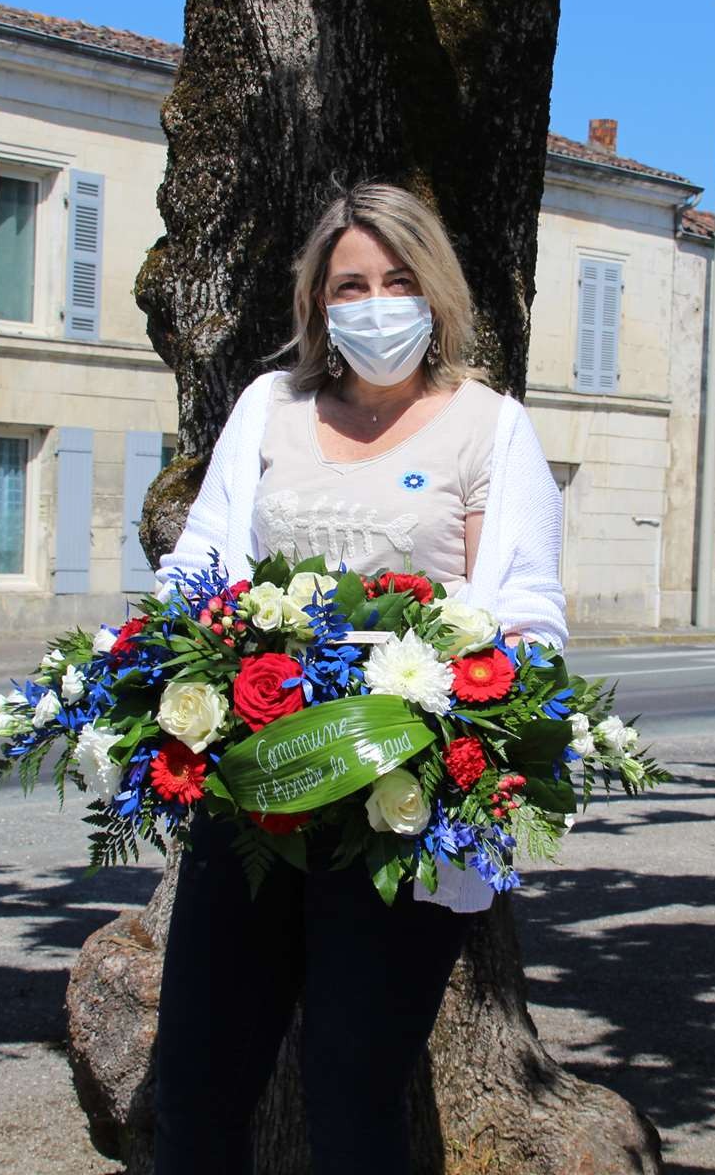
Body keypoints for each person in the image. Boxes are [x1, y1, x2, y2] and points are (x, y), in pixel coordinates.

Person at [151, 182, 566, 1174]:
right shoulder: (268, 407)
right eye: (350, 284)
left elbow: (526, 615)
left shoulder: (489, 426)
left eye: (396, 279)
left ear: (435, 295)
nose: (375, 303)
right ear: (318, 305)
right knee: (198, 1075)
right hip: (256, 790)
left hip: (398, 803)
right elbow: (200, 568)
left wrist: (456, 689)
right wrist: (189, 654)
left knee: (353, 1083)